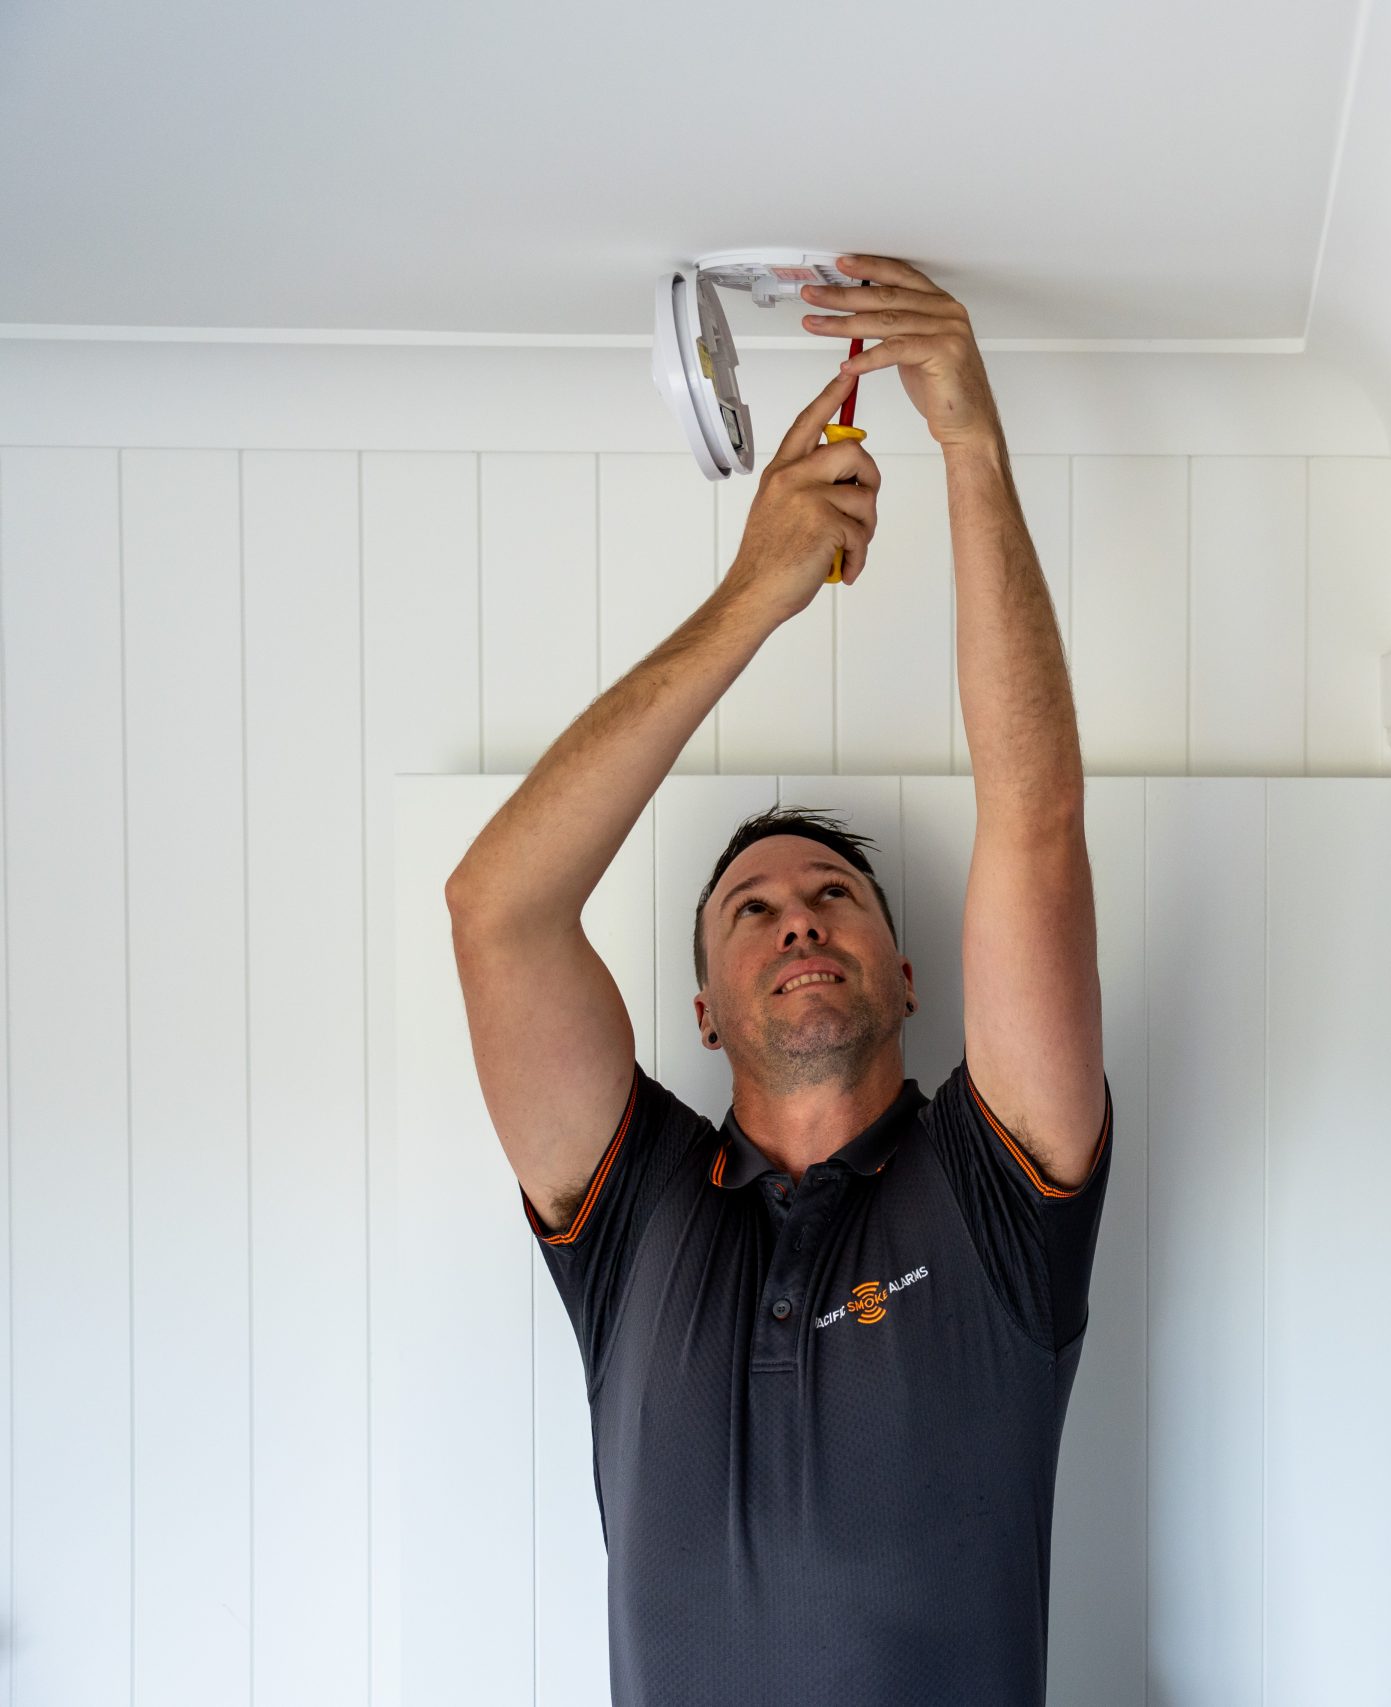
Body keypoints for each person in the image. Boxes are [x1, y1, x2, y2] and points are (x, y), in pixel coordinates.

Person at [441, 255, 1110, 1706]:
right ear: (701, 1009)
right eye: (752, 909)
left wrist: (972, 445)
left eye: (832, 898)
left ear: (911, 970)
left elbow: (1037, 822)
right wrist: (755, 593)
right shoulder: (634, 1218)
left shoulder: (995, 1193)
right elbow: (496, 911)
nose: (798, 921)